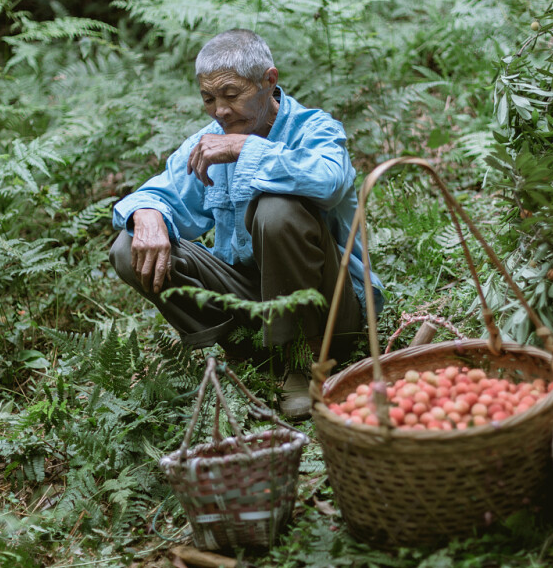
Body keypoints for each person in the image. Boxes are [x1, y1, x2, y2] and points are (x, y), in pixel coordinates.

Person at [109, 29, 383, 418]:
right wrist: (148, 214)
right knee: (128, 244)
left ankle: (303, 363)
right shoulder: (207, 142)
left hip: (331, 309)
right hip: (251, 305)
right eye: (209, 98)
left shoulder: (313, 128)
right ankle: (244, 353)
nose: (219, 110)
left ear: (268, 81)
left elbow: (330, 181)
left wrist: (246, 149)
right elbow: (159, 194)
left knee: (276, 209)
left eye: (231, 95)